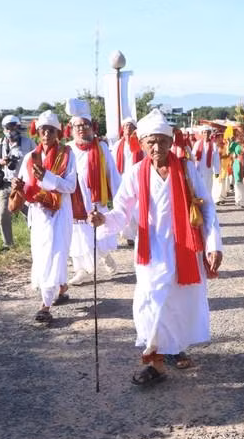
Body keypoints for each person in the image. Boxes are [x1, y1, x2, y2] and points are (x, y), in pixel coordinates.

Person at [88, 108, 223, 386]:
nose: (157, 147)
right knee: (149, 303)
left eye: (162, 140)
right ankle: (156, 360)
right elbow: (122, 212)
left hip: (184, 248)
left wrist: (213, 244)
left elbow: (206, 207)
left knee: (178, 303)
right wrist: (103, 219)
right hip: (151, 251)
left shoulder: (186, 169)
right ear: (142, 143)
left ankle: (171, 350)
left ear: (171, 141)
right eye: (151, 141)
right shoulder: (136, 173)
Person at [11, 110, 76, 323]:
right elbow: (22, 183)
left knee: (56, 254)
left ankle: (45, 305)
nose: (46, 134)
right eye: (42, 130)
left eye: (50, 130)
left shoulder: (67, 154)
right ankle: (61, 288)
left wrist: (47, 177)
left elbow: (71, 186)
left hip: (60, 212)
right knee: (41, 255)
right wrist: (16, 186)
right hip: (38, 213)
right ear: (37, 132)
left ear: (58, 132)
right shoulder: (30, 157)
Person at [65, 98, 122, 285]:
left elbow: (111, 173)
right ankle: (82, 270)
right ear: (72, 129)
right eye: (77, 126)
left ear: (92, 127)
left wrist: (120, 198)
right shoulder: (68, 149)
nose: (81, 129)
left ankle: (105, 255)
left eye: (85, 125)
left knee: (101, 235)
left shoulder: (102, 147)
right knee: (79, 237)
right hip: (76, 199)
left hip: (97, 199)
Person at [0, 114, 35, 249]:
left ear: (18, 127)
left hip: (24, 184)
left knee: (31, 214)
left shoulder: (28, 142)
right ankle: (8, 244)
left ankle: (36, 239)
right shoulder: (1, 143)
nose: (10, 130)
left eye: (12, 127)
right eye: (7, 127)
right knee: (3, 214)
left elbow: (38, 158)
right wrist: (1, 162)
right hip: (6, 183)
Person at [111, 117, 144, 246]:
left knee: (137, 208)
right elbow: (113, 163)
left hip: (137, 179)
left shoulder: (140, 144)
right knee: (125, 206)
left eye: (130, 126)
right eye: (125, 126)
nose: (128, 129)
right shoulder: (117, 145)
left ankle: (138, 234)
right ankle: (129, 236)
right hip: (121, 179)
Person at [192, 125, 220, 194]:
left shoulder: (213, 145)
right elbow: (192, 156)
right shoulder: (197, 144)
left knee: (208, 188)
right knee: (199, 187)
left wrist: (216, 171)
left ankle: (207, 203)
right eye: (204, 132)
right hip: (199, 169)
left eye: (208, 132)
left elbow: (216, 159)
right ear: (202, 133)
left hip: (208, 171)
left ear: (210, 133)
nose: (206, 134)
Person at [230, 130, 244, 209]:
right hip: (237, 163)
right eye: (238, 135)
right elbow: (229, 152)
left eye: (241, 135)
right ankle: (238, 199)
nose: (239, 137)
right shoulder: (234, 144)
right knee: (237, 181)